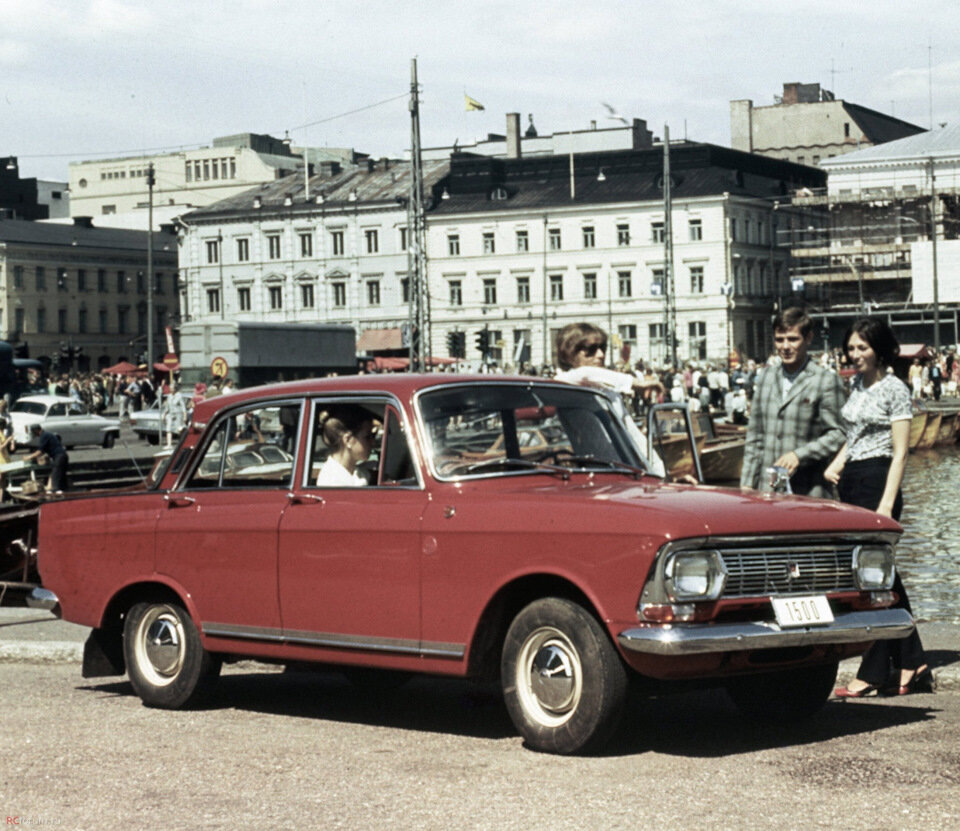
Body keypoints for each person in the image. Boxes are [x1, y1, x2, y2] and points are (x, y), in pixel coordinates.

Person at [826, 317, 931, 697]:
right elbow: (854, 434)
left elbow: (901, 452)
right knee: (870, 574)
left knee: (877, 573)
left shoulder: (895, 389)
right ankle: (911, 660)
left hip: (878, 480)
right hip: (853, 479)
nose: (855, 355)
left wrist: (887, 502)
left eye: (862, 348)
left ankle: (875, 670)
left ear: (879, 349)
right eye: (851, 348)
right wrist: (838, 462)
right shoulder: (855, 384)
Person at [740, 307, 846, 498]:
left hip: (809, 490)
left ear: (808, 338)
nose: (785, 346)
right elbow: (755, 436)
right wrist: (747, 484)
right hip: (769, 488)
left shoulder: (825, 380)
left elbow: (839, 433)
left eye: (793, 339)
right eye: (779, 340)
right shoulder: (765, 377)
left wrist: (800, 455)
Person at [553, 323, 664, 399]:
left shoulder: (603, 385)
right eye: (591, 349)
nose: (601, 355)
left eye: (603, 348)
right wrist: (637, 383)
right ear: (569, 353)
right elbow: (584, 373)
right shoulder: (562, 381)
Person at [315, 405, 375, 487]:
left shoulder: (358, 472)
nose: (373, 442)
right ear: (348, 440)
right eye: (367, 437)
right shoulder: (332, 482)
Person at [24, 423, 69, 493]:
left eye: (33, 431)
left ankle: (55, 490)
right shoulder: (47, 434)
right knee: (61, 474)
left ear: (36, 430)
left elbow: (40, 451)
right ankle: (63, 489)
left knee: (56, 474)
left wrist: (29, 457)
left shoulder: (44, 436)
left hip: (59, 456)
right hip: (63, 455)